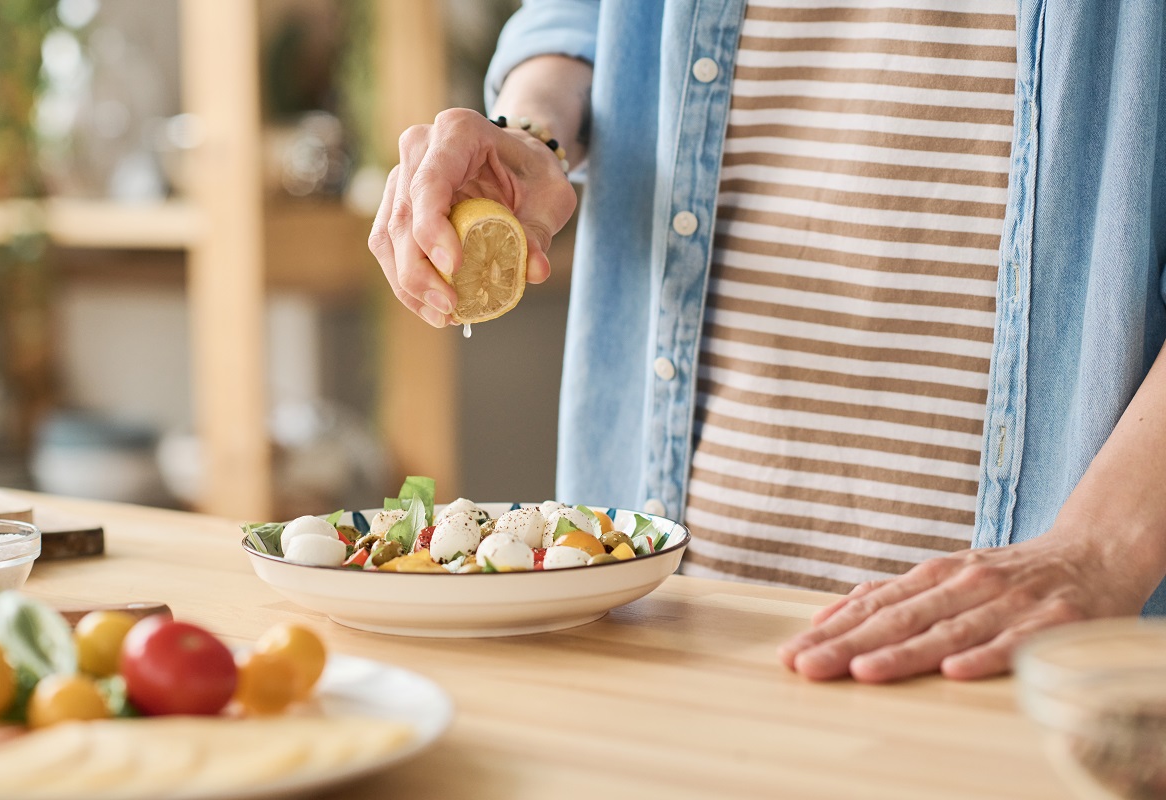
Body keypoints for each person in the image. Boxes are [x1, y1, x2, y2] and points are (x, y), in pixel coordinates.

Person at [368, 0, 1166, 683]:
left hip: (1036, 641)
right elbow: (582, 21)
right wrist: (529, 132)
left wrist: (1099, 552)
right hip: (688, 613)